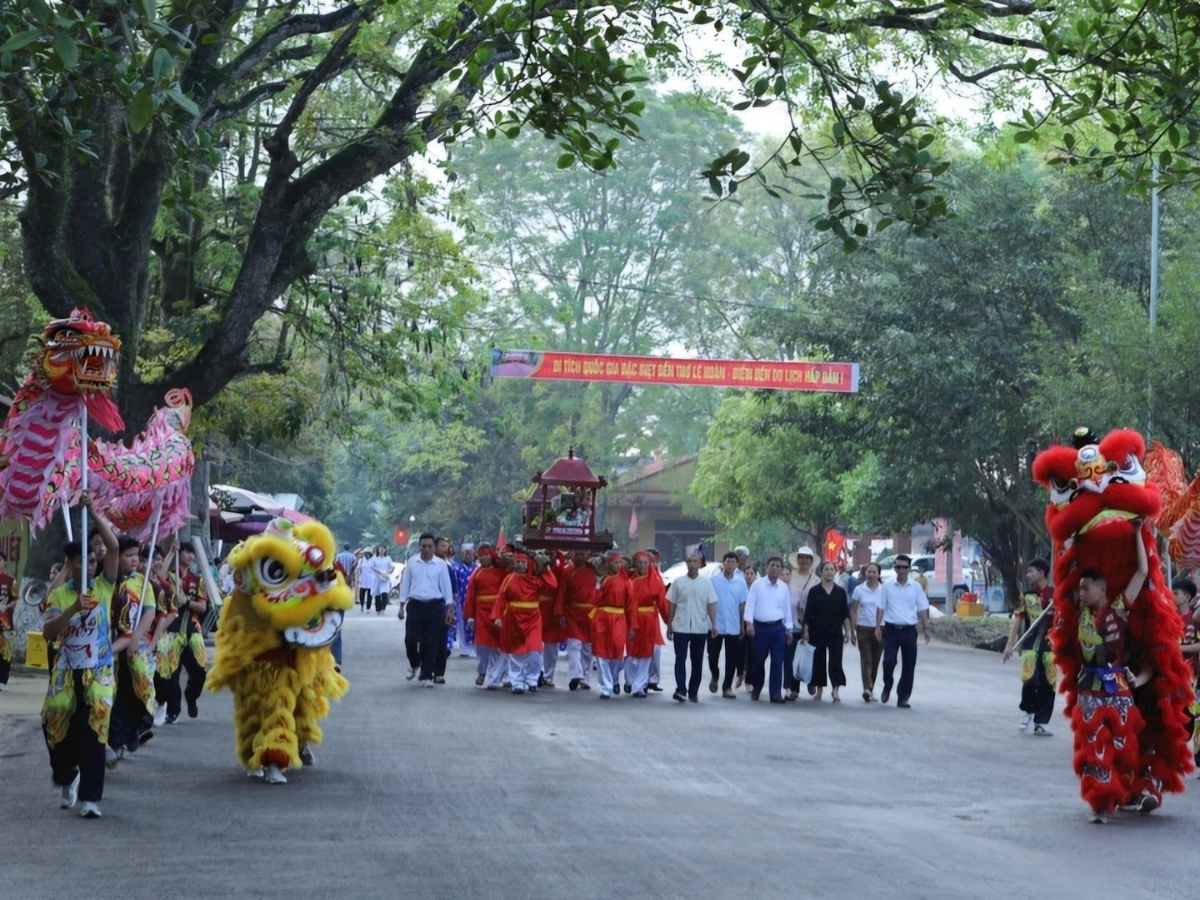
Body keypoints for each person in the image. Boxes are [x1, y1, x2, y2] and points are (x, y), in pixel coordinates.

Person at [41, 491, 120, 819]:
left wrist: (93, 510)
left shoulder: (104, 585)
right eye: (80, 562)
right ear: (70, 565)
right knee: (55, 718)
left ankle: (91, 797)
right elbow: (48, 632)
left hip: (98, 669)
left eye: (91, 561)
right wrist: (74, 607)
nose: (87, 566)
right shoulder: (59, 594)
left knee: (96, 721)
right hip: (66, 670)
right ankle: (65, 776)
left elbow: (113, 547)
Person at [1071, 529, 1152, 822]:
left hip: (1117, 687)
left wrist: (1139, 533)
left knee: (1120, 745)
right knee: (1094, 745)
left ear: (1102, 590)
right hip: (1088, 687)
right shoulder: (1080, 612)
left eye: (1086, 588)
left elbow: (1142, 571)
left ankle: (1126, 794)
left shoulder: (1119, 609)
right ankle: (1099, 802)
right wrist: (1071, 540)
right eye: (1080, 589)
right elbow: (1064, 570)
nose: (1081, 593)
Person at [1002, 558, 1056, 735]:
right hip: (1031, 643)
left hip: (1050, 644)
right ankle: (1028, 710)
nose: (1028, 575)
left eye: (1031, 571)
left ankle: (1041, 722)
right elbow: (1018, 620)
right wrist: (1009, 646)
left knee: (1048, 681)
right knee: (1030, 678)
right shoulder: (1026, 596)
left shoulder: (1055, 596)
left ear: (1041, 573)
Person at [492, 551, 557, 694]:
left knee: (535, 650)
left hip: (533, 617)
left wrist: (546, 568)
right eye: (518, 562)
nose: (520, 565)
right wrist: (497, 616)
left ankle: (532, 679)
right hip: (513, 617)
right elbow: (501, 598)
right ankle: (517, 682)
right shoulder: (509, 579)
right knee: (516, 652)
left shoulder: (535, 579)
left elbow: (552, 585)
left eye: (523, 563)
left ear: (529, 564)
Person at [397, 534, 454, 685]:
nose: (427, 549)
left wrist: (449, 608)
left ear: (434, 547)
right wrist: (401, 606)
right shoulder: (412, 562)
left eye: (430, 546)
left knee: (431, 642)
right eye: (424, 546)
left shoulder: (440, 565)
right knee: (410, 640)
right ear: (420, 546)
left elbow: (447, 588)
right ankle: (415, 664)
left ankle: (427, 675)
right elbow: (405, 584)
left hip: (435, 606)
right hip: (415, 605)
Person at [876, 554, 931, 708]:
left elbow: (922, 608)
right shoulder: (887, 586)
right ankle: (888, 685)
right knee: (888, 661)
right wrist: (877, 627)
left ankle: (903, 697)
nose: (901, 570)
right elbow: (880, 607)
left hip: (908, 630)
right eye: (898, 567)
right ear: (894, 568)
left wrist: (926, 628)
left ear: (909, 569)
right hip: (891, 629)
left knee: (909, 665)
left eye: (904, 567)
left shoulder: (916, 587)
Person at [666, 552, 718, 702]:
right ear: (686, 563)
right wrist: (670, 624)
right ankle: (680, 689)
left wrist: (714, 624)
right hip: (681, 626)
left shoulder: (706, 583)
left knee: (697, 660)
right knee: (680, 659)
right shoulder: (678, 582)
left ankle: (693, 690)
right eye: (689, 561)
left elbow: (711, 604)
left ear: (700, 563)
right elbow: (672, 605)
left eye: (695, 561)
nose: (692, 564)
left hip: (699, 626)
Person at [743, 556, 794, 703]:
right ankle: (757, 686)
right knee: (758, 660)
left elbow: (786, 609)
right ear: (767, 567)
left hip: (778, 628)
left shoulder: (783, 587)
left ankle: (775, 693)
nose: (775, 568)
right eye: (772, 565)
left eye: (778, 566)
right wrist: (749, 623)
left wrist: (789, 629)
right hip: (760, 628)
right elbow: (750, 605)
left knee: (778, 660)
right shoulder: (757, 585)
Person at [801, 561, 852, 702]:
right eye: (826, 569)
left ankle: (835, 690)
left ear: (835, 572)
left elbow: (845, 614)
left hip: (835, 632)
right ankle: (819, 690)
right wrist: (806, 631)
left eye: (832, 569)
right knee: (819, 660)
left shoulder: (840, 592)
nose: (829, 572)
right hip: (817, 631)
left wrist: (848, 631)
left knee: (836, 661)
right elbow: (808, 614)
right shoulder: (814, 591)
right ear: (821, 572)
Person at [623, 552, 667, 697]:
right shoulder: (628, 579)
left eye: (645, 563)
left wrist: (669, 621)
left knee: (646, 653)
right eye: (640, 562)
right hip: (630, 617)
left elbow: (662, 602)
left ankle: (639, 686)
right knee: (630, 653)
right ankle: (629, 680)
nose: (642, 566)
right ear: (635, 564)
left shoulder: (655, 581)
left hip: (648, 619)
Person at [591, 550, 631, 699]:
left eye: (619, 562)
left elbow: (631, 605)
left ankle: (613, 679)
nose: (618, 565)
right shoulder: (601, 579)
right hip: (601, 619)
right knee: (601, 655)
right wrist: (598, 582)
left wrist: (632, 626)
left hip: (619, 619)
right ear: (608, 564)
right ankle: (605, 688)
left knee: (618, 655)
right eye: (615, 562)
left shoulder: (626, 582)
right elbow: (593, 599)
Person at [708, 552, 746, 699]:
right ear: (723, 563)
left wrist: (743, 624)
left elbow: (742, 605)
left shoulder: (740, 584)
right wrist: (712, 622)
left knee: (732, 658)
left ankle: (727, 687)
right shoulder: (713, 581)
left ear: (737, 565)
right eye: (727, 561)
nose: (730, 564)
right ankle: (715, 675)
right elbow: (709, 602)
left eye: (733, 562)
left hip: (734, 625)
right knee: (713, 655)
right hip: (715, 625)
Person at [560, 550, 599, 691]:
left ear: (588, 556)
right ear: (572, 555)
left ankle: (585, 679)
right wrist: (560, 613)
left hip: (590, 612)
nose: (580, 556)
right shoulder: (567, 571)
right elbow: (562, 593)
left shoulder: (595, 569)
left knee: (587, 648)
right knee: (574, 644)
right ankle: (576, 674)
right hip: (573, 612)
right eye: (577, 554)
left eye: (583, 554)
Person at [1171, 577, 1200, 768]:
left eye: (1176, 593)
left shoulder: (1195, 617)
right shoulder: (1170, 616)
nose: (1172, 596)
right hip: (1172, 676)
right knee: (1173, 717)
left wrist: (1178, 649)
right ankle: (1175, 758)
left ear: (1187, 597)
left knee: (1193, 718)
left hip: (1192, 677)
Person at [784, 546, 818, 701]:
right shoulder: (791, 576)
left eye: (807, 558)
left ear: (811, 561)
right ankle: (793, 688)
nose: (803, 561)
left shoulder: (816, 580)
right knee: (793, 656)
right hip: (793, 620)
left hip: (812, 621)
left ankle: (811, 681)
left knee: (809, 654)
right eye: (801, 558)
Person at [849, 562, 885, 702]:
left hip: (880, 629)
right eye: (869, 572)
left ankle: (870, 689)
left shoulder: (884, 590)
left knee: (875, 660)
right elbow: (853, 610)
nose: (871, 575)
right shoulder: (859, 590)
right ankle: (866, 687)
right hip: (863, 627)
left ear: (878, 574)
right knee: (866, 659)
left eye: (874, 572)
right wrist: (852, 631)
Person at [0, 549, 18, 691]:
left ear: (4, 562)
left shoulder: (10, 580)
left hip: (5, 622)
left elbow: (15, 600)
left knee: (5, 652)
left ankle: (3, 680)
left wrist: (5, 606)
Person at [366, 544, 393, 615]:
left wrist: (388, 571)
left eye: (383, 549)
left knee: (384, 593)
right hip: (377, 578)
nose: (381, 550)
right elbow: (371, 567)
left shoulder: (388, 558)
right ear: (378, 550)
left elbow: (391, 567)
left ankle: (383, 608)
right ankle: (378, 608)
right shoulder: (374, 558)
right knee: (377, 594)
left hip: (384, 578)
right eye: (380, 549)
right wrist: (378, 571)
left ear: (385, 550)